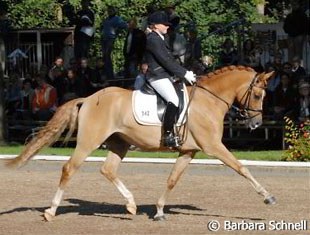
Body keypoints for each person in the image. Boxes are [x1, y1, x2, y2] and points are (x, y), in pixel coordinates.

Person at [144, 11, 196, 147]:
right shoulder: (153, 39)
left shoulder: (160, 37)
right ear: (155, 26)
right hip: (156, 76)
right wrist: (184, 73)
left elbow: (170, 59)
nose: (167, 27)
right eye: (165, 24)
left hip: (164, 75)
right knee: (173, 99)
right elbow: (166, 61)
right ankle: (167, 135)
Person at [101, 6, 128, 79]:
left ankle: (110, 76)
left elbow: (125, 25)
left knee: (107, 55)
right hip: (104, 39)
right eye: (108, 10)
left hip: (110, 38)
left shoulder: (117, 19)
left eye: (111, 10)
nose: (109, 12)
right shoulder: (106, 19)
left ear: (114, 11)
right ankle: (106, 73)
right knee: (104, 56)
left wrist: (117, 30)